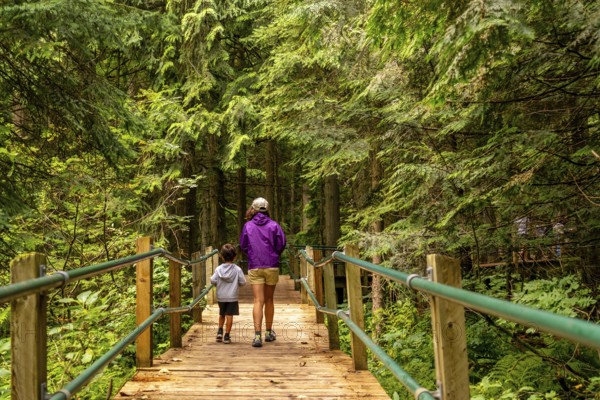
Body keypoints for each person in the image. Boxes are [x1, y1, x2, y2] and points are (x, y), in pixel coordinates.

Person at [239, 197, 286, 348]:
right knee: (269, 300)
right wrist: (274, 255)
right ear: (267, 209)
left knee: (257, 300)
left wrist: (252, 255)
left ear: (253, 209)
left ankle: (257, 335)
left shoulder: (248, 226)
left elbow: (243, 245)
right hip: (271, 265)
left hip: (255, 265)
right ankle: (268, 333)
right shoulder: (274, 225)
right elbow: (281, 244)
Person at [210, 243, 246, 344]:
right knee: (229, 315)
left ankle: (219, 331)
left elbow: (213, 281)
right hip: (232, 297)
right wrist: (236, 283)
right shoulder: (237, 269)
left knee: (222, 314)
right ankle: (226, 336)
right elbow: (243, 282)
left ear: (222, 256)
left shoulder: (218, 269)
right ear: (234, 257)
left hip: (221, 296)